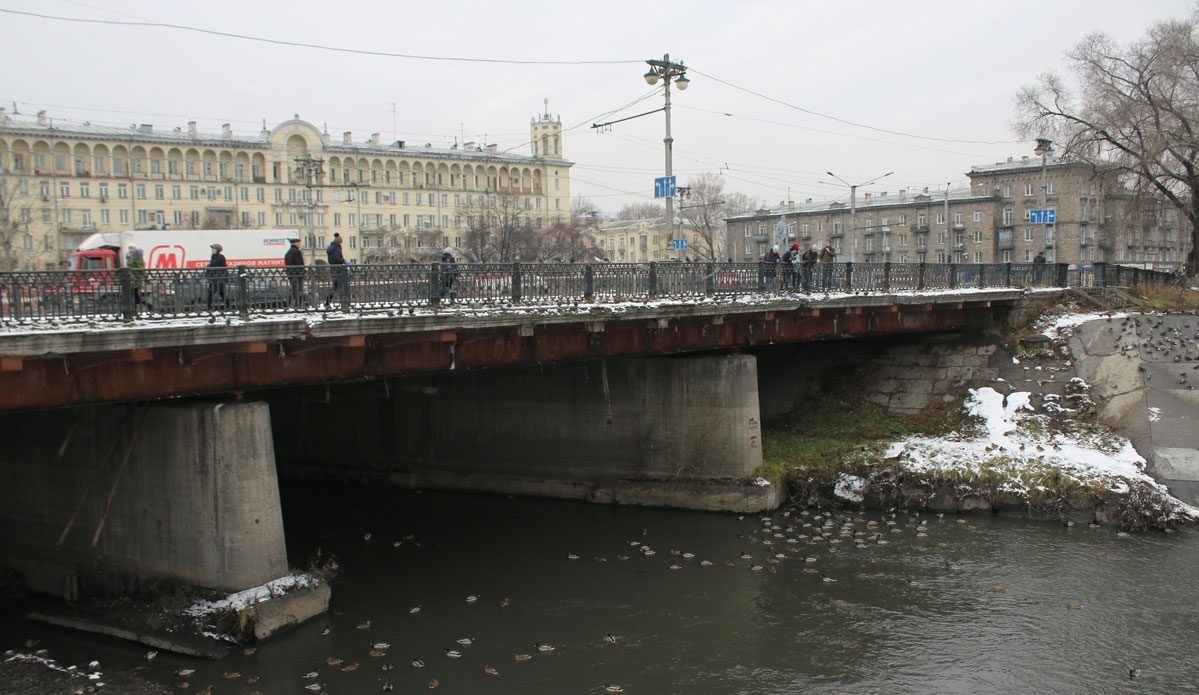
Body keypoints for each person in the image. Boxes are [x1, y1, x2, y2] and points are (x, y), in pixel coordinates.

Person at [324, 233, 347, 307]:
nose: (342, 240)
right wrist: (343, 260)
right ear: (337, 240)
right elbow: (337, 259)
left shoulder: (332, 247)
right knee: (339, 286)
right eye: (340, 239)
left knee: (335, 286)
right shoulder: (336, 248)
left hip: (334, 269)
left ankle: (328, 302)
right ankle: (342, 303)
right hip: (338, 269)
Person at [205, 242, 228, 311]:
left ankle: (208, 308)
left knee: (214, 293)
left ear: (217, 250)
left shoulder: (221, 257)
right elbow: (212, 266)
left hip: (219, 278)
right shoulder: (212, 256)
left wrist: (224, 278)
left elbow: (224, 267)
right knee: (217, 293)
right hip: (214, 278)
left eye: (213, 249)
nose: (212, 250)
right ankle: (209, 308)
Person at [284, 237, 306, 308]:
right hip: (297, 274)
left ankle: (292, 304)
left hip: (290, 274)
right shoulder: (296, 251)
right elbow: (299, 263)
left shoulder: (288, 252)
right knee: (298, 290)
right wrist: (303, 272)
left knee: (293, 290)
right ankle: (298, 304)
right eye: (299, 243)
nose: (299, 244)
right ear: (295, 243)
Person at [126, 243, 147, 312]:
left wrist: (145, 276)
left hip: (136, 278)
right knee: (133, 294)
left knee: (133, 294)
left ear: (135, 249)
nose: (130, 249)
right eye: (129, 248)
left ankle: (134, 309)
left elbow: (141, 266)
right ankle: (146, 305)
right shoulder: (129, 257)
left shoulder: (138, 256)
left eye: (132, 248)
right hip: (131, 278)